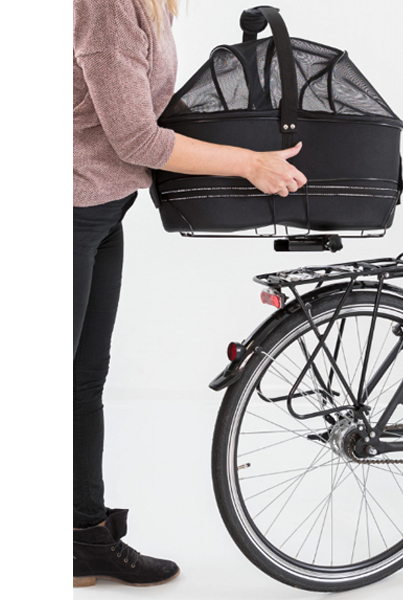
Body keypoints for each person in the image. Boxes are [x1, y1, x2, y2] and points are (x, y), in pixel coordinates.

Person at [73, 0, 307, 588]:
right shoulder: (104, 6)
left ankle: (81, 542)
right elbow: (137, 139)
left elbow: (146, 111)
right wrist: (247, 163)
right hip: (66, 208)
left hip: (102, 210)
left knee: (81, 383)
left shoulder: (149, 6)